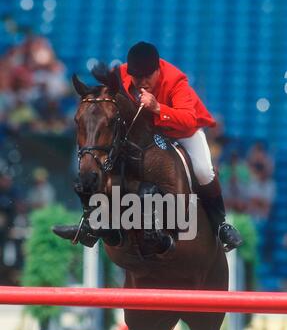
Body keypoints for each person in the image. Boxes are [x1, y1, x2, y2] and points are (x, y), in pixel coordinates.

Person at [54, 42, 242, 252]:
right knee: (110, 157)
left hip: (182, 130)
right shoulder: (123, 73)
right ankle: (90, 224)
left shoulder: (176, 79)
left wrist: (158, 107)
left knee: (203, 170)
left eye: (147, 77)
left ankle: (220, 225)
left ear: (158, 70)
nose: (142, 82)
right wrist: (103, 81)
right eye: (137, 77)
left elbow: (188, 119)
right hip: (146, 130)